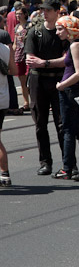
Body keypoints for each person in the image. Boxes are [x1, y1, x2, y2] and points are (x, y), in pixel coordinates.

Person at [25, 0, 69, 175]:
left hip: (58, 81)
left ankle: (67, 163)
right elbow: (30, 59)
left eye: (48, 10)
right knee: (40, 123)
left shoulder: (62, 33)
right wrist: (45, 63)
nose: (44, 13)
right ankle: (45, 162)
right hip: (37, 81)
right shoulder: (35, 32)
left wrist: (45, 62)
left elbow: (67, 60)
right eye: (43, 10)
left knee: (61, 124)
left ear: (58, 11)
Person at [52, 16, 79, 181]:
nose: (57, 32)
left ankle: (68, 168)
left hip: (71, 91)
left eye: (60, 29)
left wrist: (62, 85)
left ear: (70, 28)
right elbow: (66, 63)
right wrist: (44, 63)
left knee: (69, 129)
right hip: (75, 90)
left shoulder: (76, 45)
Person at [0, 24, 16, 186]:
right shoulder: (4, 48)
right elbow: (14, 70)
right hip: (3, 98)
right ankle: (4, 174)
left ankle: (4, 174)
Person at [12, 7, 29, 113]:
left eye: (20, 14)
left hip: (27, 53)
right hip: (18, 54)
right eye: (16, 14)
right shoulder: (17, 27)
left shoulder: (29, 26)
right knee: (22, 81)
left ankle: (33, 101)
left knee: (29, 80)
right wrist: (12, 54)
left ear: (25, 14)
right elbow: (14, 43)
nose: (17, 16)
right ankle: (26, 102)